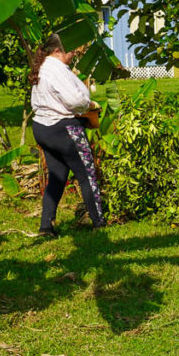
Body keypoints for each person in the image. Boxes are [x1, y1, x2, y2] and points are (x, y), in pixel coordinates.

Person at [29, 34, 106, 236]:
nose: (73, 54)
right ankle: (99, 223)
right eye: (71, 51)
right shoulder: (56, 70)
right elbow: (75, 101)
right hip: (64, 128)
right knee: (87, 175)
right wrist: (88, 104)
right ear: (57, 51)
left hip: (42, 128)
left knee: (57, 177)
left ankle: (46, 226)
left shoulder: (43, 67)